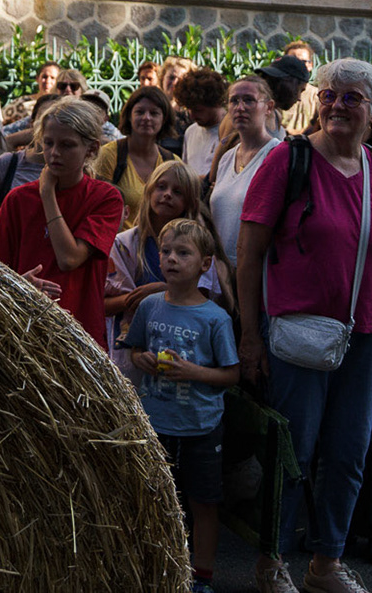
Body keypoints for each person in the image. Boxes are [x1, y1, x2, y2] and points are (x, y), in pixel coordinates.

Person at [237, 58, 372, 593]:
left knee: (349, 453)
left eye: (352, 98)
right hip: (299, 331)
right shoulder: (287, 162)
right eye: (330, 95)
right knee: (295, 452)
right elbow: (249, 255)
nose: (338, 106)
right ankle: (272, 565)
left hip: (370, 335)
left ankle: (325, 564)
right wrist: (251, 335)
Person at [123, 218, 240, 593]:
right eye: (166, 251)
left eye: (183, 253)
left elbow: (231, 375)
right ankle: (157, 569)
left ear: (205, 264)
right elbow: (137, 348)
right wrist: (141, 358)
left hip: (201, 425)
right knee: (156, 499)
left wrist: (192, 371)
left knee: (203, 501)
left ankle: (202, 576)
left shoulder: (215, 318)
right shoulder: (150, 306)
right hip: (156, 423)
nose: (171, 259)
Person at [0, 99, 124, 345]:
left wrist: (47, 193)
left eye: (67, 145)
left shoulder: (106, 198)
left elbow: (68, 259)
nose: (54, 153)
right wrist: (19, 283)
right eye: (48, 143)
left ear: (91, 149)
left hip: (80, 333)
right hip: (24, 330)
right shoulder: (18, 199)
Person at [105, 162, 231, 373]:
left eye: (178, 191)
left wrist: (160, 291)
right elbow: (103, 303)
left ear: (190, 201)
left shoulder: (199, 247)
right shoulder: (124, 244)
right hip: (129, 356)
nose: (167, 194)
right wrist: (137, 298)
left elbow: (203, 296)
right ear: (149, 191)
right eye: (161, 187)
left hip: (183, 356)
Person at [208, 75, 282, 275]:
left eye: (249, 100)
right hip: (221, 273)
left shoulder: (277, 155)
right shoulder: (226, 158)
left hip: (258, 271)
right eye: (234, 100)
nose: (240, 107)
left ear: (268, 107)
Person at [94, 86, 181, 229]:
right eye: (140, 112)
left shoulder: (172, 163)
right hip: (117, 247)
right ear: (129, 116)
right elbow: (97, 207)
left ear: (164, 119)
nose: (146, 118)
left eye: (154, 113)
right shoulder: (109, 155)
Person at [175, 68, 228, 182]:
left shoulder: (231, 131)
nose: (192, 116)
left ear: (216, 104)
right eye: (189, 110)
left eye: (198, 110)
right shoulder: (190, 132)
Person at [260, 54, 315, 137]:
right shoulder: (255, 115)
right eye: (300, 90)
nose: (299, 98)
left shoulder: (275, 115)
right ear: (288, 86)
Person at [2, 62, 61, 127]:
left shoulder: (62, 105)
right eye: (44, 77)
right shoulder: (21, 102)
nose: (48, 81)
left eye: (52, 78)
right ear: (37, 79)